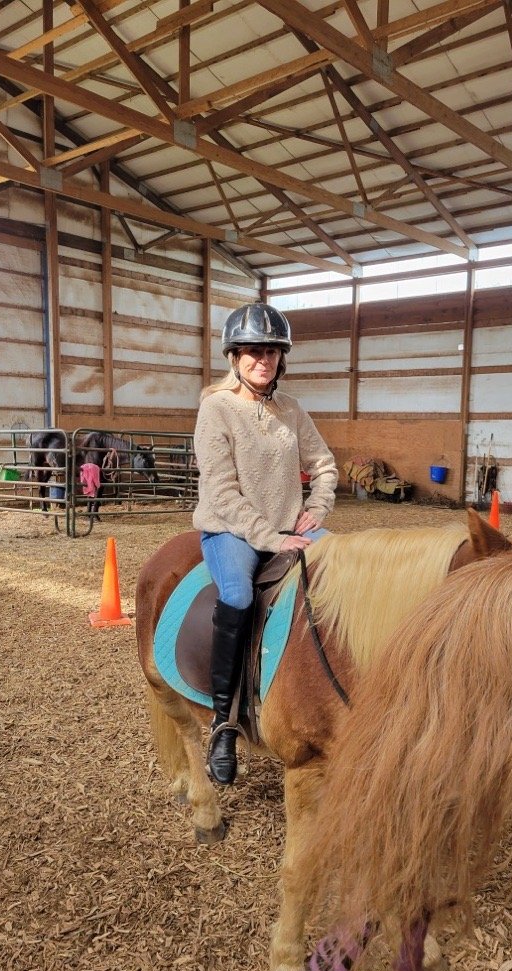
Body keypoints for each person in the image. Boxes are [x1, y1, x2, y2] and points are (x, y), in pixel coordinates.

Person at [193, 301, 338, 785]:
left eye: (272, 352)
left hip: (291, 530)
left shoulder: (292, 410)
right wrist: (273, 537)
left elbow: (325, 465)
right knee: (236, 596)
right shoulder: (216, 409)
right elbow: (222, 492)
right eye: (254, 350)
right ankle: (223, 722)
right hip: (233, 531)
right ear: (235, 356)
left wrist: (317, 508)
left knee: (345, 570)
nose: (264, 359)